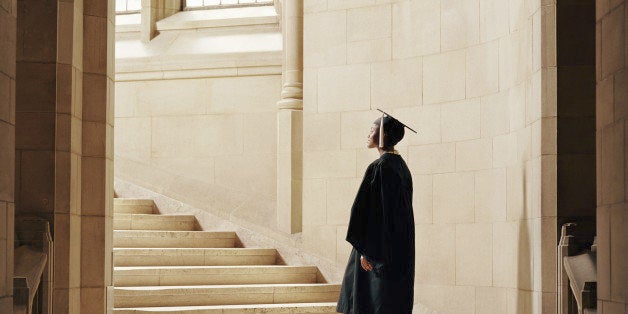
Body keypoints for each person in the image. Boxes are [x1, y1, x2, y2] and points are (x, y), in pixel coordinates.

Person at [336, 112, 416, 314]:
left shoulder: (380, 167)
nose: (368, 134)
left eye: (372, 130)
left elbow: (368, 211)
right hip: (396, 248)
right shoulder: (401, 166)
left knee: (371, 301)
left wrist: (366, 251)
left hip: (375, 248)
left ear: (383, 135)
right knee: (391, 300)